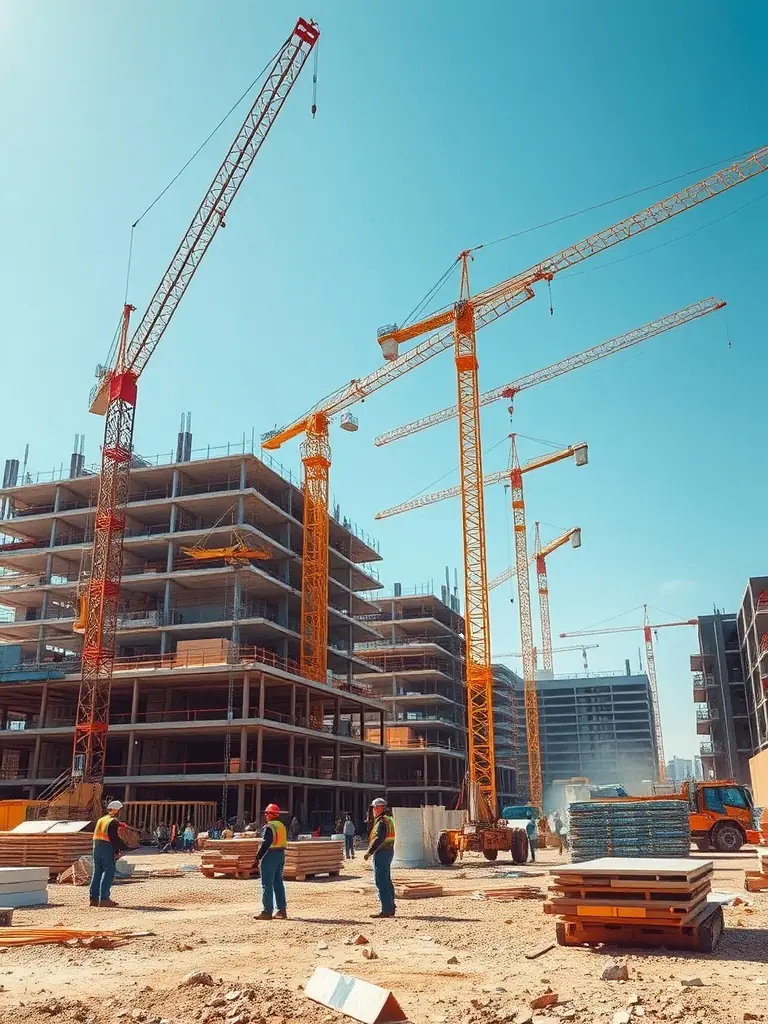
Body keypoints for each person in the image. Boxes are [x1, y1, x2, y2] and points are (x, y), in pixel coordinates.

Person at [90, 800, 129, 908]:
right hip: (106, 847)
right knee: (109, 871)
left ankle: (94, 899)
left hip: (96, 847)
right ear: (117, 810)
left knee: (97, 872)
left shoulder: (101, 820)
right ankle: (104, 899)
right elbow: (114, 838)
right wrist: (124, 847)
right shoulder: (113, 821)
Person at [254, 803, 288, 921]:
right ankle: (281, 910)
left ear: (270, 814)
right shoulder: (282, 825)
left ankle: (267, 911)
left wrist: (258, 857)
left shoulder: (270, 826)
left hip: (271, 855)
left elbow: (266, 843)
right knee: (278, 883)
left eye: (266, 813)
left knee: (267, 884)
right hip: (281, 855)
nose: (265, 815)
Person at [364, 798, 395, 918]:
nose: (373, 810)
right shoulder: (389, 819)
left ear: (380, 808)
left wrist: (369, 852)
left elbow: (379, 838)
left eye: (374, 808)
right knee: (387, 880)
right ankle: (391, 907)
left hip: (381, 853)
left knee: (381, 881)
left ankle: (386, 910)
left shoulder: (382, 822)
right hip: (388, 851)